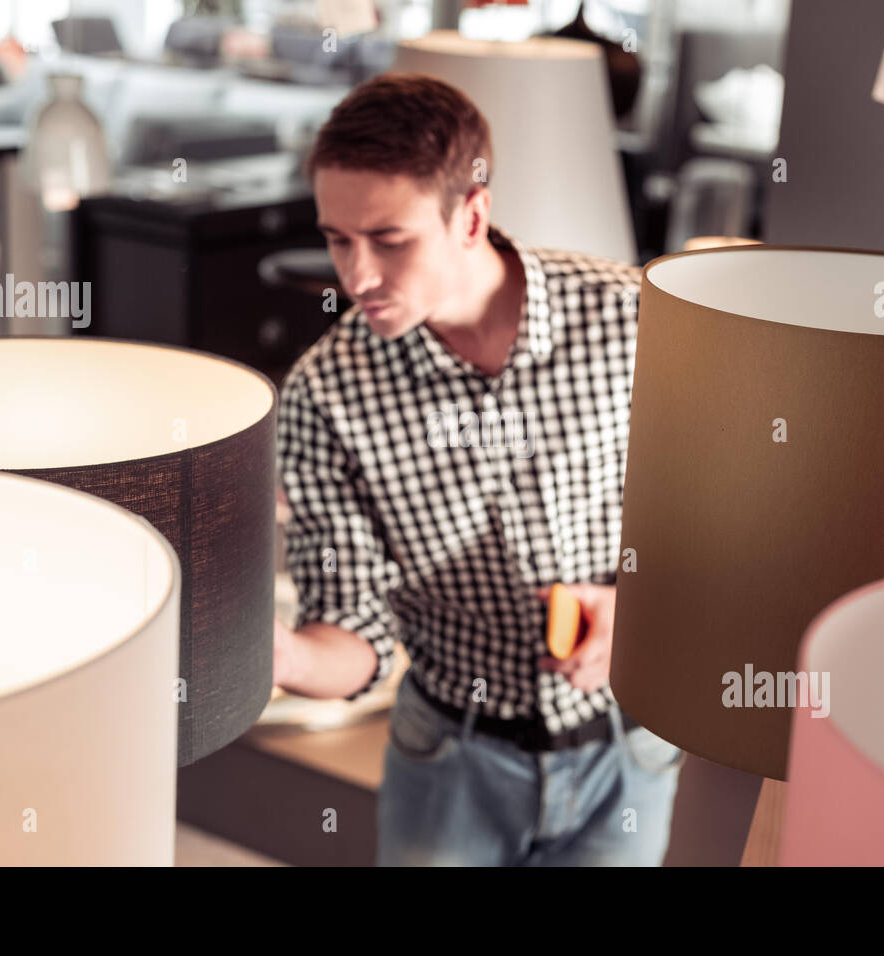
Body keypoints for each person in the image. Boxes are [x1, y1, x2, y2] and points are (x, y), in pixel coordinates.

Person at [273, 73, 682, 866]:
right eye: (336, 239)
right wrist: (279, 657)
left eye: (389, 240)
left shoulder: (636, 321)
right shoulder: (324, 395)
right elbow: (354, 629)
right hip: (449, 762)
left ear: (471, 215)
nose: (355, 278)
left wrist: (646, 609)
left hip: (628, 754)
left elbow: (726, 524)